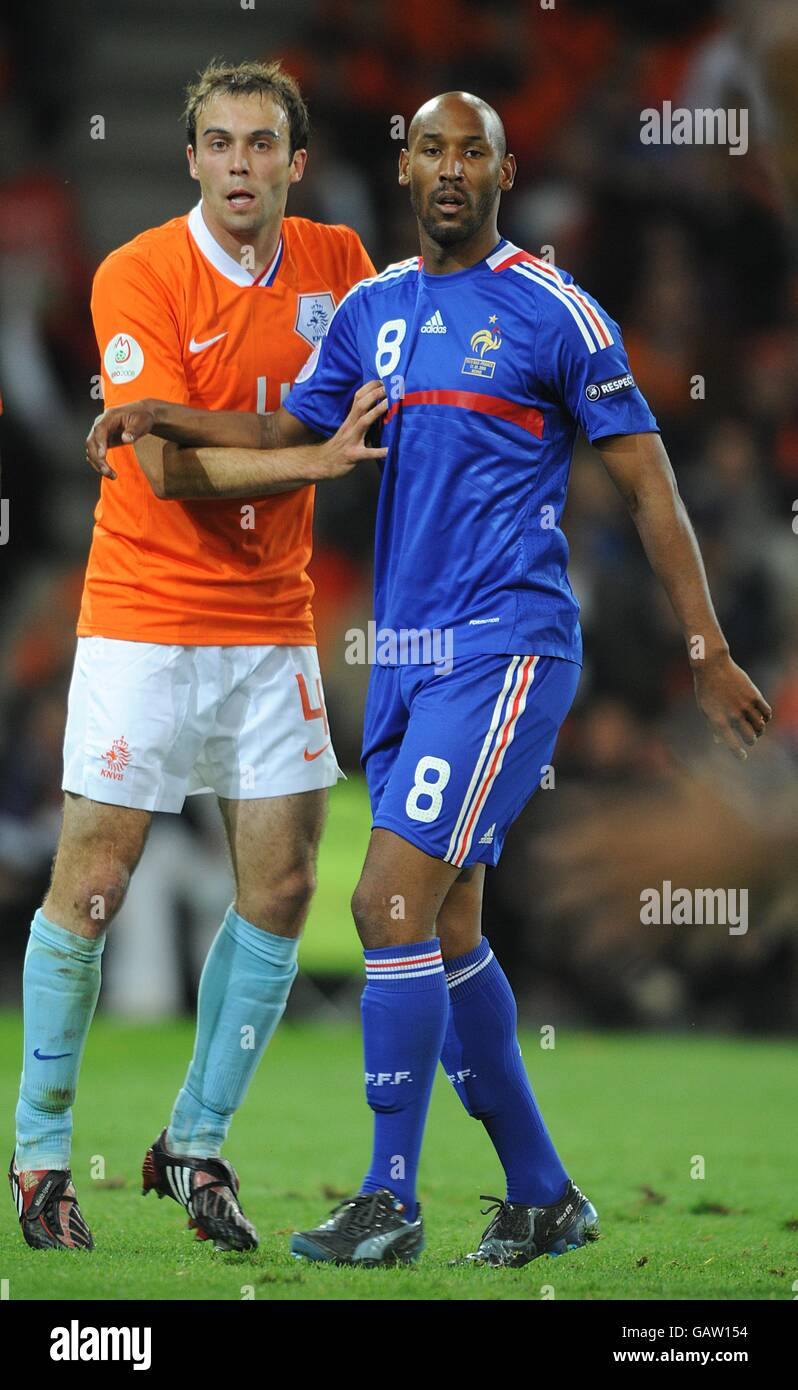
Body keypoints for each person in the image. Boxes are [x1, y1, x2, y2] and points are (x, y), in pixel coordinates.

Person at [86, 91, 771, 1269]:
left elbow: (651, 484)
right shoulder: (370, 311)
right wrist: (162, 410)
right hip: (405, 662)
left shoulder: (555, 311)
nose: (452, 169)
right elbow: (284, 432)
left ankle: (388, 1198)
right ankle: (545, 1195)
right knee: (448, 932)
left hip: (505, 650)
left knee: (384, 902)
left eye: (477, 153)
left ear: (505, 174)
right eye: (434, 150)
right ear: (404, 171)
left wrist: (705, 649)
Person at [9, 57, 379, 1254]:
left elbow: (368, 405)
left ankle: (194, 1142)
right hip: (145, 618)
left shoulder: (338, 266)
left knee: (279, 888)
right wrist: (315, 462)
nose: (239, 164)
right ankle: (40, 1153)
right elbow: (160, 469)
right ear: (191, 160)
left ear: (294, 162)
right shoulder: (140, 272)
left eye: (261, 145)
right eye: (218, 143)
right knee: (97, 885)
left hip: (272, 627)